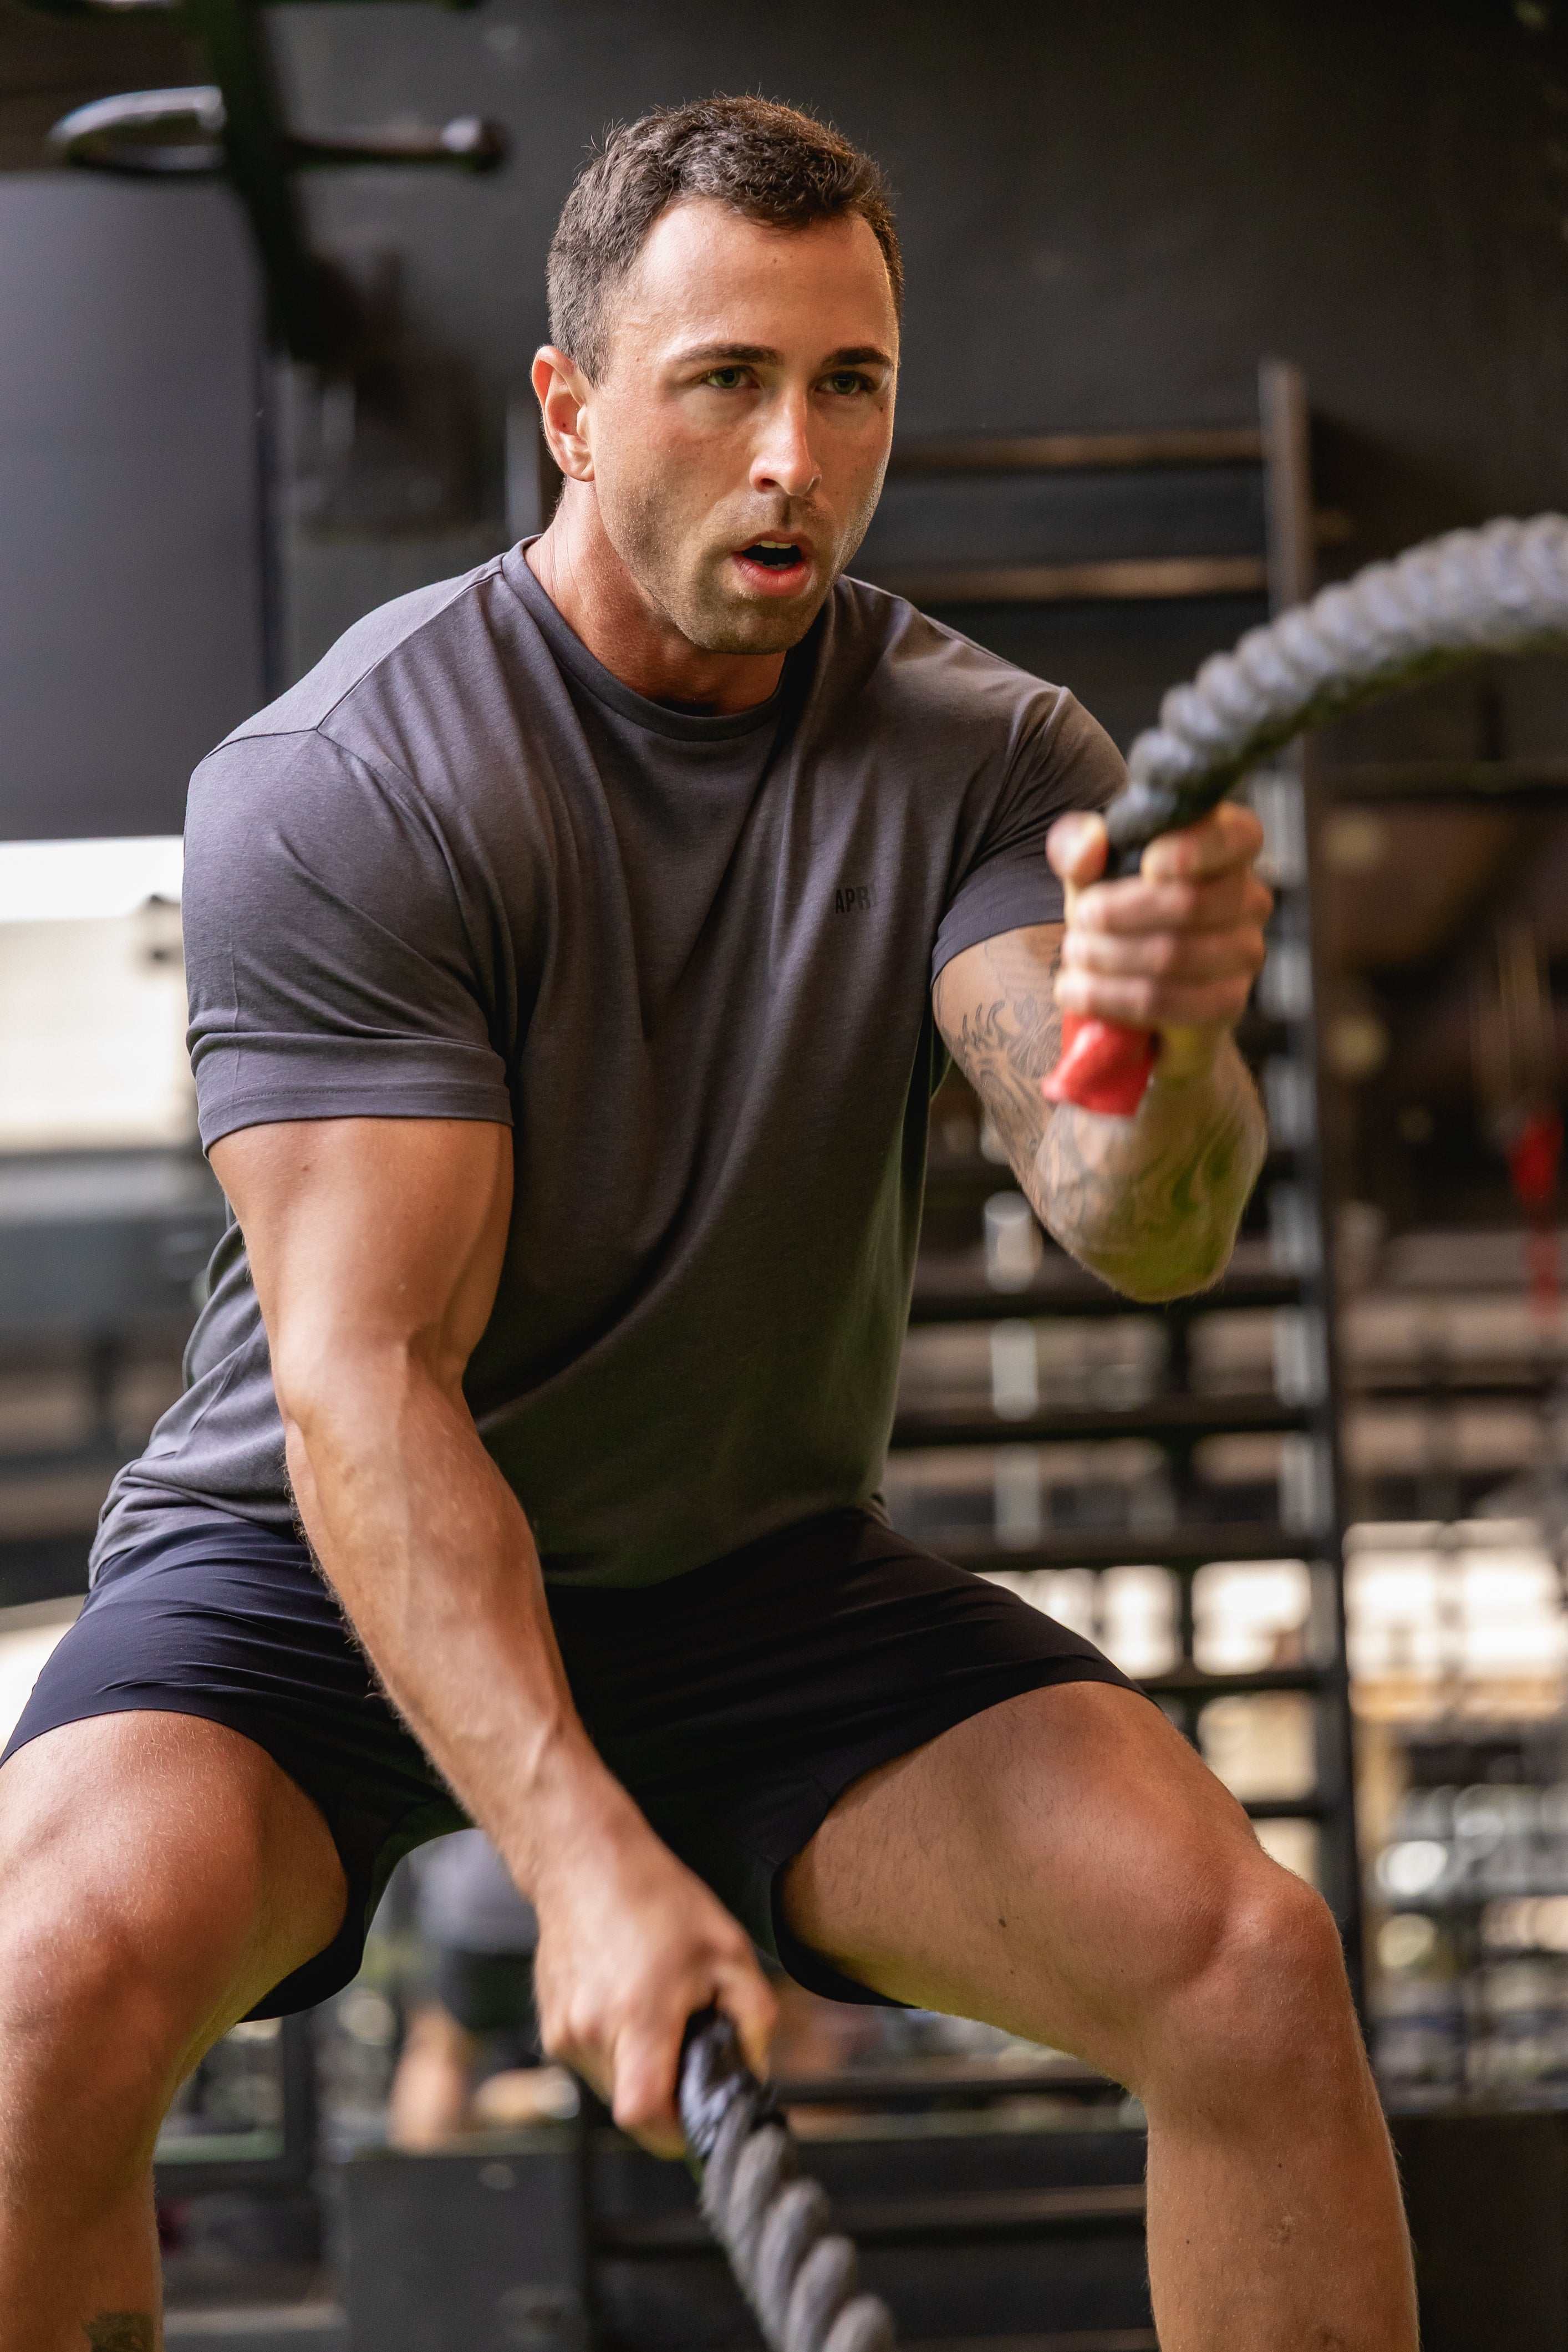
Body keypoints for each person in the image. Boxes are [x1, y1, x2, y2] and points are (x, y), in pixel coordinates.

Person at [0, 95, 1416, 2352]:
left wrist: (1153, 1044)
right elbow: (375, 1380)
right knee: (44, 1991)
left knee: (1244, 1966)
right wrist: (574, 1864)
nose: (795, 458)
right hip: (316, 1566)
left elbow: (1129, 1225)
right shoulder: (349, 780)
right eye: (723, 382)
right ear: (570, 410)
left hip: (740, 1574)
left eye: (846, 384)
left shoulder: (991, 755)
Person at [387, 1829, 574, 2147]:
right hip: (567, 1898)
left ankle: (418, 2182)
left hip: (475, 1903)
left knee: (439, 2051)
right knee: (574, 2048)